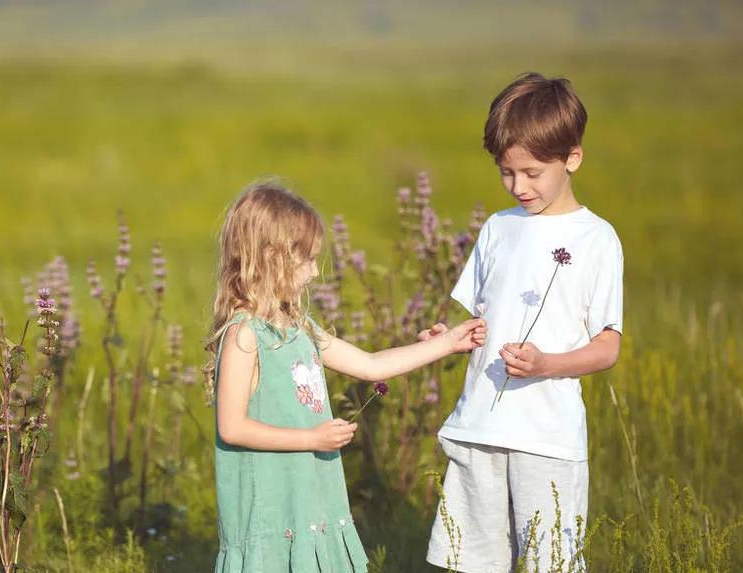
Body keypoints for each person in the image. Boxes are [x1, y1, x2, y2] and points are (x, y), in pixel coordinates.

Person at [208, 180, 486, 572]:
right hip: (270, 502)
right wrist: (311, 438)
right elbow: (232, 427)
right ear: (272, 257)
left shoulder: (298, 327)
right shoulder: (244, 336)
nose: (314, 272)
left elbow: (370, 365)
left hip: (307, 493)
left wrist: (447, 344)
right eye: (306, 260)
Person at [425, 73, 624, 572]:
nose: (519, 186)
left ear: (571, 158)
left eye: (533, 173)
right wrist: (448, 339)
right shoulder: (497, 228)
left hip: (547, 439)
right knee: (470, 562)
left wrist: (547, 364)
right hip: (479, 429)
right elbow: (481, 320)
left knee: (550, 563)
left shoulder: (596, 239)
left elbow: (607, 347)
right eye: (507, 173)